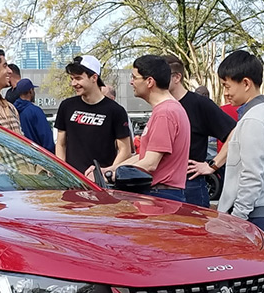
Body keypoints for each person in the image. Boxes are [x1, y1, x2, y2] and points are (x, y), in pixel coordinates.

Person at [88, 54, 190, 203]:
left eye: (134, 77)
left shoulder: (165, 113)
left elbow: (150, 163)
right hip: (161, 194)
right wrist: (109, 169)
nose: (131, 82)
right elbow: (143, 156)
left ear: (149, 81)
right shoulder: (167, 109)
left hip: (160, 196)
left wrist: (112, 174)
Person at [215, 50, 264, 237]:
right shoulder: (261, 114)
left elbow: (251, 176)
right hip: (261, 212)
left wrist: (236, 219)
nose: (225, 93)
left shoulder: (253, 119)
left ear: (246, 83)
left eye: (227, 86)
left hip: (253, 215)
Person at [165, 55, 236, 207]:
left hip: (190, 185)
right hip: (164, 186)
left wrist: (212, 165)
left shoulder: (199, 104)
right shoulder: (163, 106)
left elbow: (235, 132)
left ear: (177, 77)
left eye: (161, 75)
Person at [54, 55, 130, 174]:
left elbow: (125, 150)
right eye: (72, 79)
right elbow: (60, 143)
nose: (73, 83)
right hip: (72, 181)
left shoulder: (116, 110)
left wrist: (107, 174)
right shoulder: (66, 106)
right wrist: (62, 171)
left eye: (78, 78)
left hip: (102, 184)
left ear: (94, 77)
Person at [13, 78, 55, 152]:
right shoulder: (35, 111)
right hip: (38, 156)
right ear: (31, 91)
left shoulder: (12, 110)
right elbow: (46, 138)